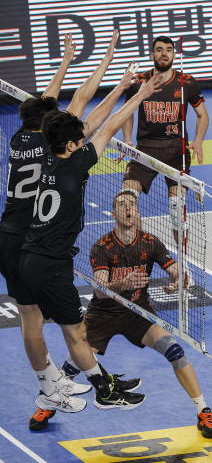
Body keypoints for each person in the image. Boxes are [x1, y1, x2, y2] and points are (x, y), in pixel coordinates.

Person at [0, 31, 139, 431]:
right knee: (39, 319)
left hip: (10, 232)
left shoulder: (22, 137)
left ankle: (51, 382)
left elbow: (55, 100)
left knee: (31, 316)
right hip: (28, 241)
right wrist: (120, 84)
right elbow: (84, 106)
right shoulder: (53, 148)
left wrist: (65, 61)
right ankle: (55, 386)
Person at [17, 69, 163, 421]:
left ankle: (70, 385)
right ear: (71, 147)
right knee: (77, 333)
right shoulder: (75, 166)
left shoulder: (42, 153)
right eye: (78, 141)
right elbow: (108, 127)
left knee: (50, 326)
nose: (82, 142)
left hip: (27, 258)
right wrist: (140, 94)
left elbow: (87, 120)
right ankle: (104, 392)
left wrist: (124, 88)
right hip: (52, 265)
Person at [77, 190, 212, 438]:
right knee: (75, 360)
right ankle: (47, 404)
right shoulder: (102, 246)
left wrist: (178, 281)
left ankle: (203, 411)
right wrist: (124, 283)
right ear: (113, 213)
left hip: (138, 313)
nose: (127, 208)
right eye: (121, 205)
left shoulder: (150, 242)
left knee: (175, 351)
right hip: (103, 315)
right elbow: (100, 291)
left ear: (138, 212)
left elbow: (177, 272)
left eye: (132, 204)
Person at [121, 35, 209, 239]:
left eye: (169, 50)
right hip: (145, 150)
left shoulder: (186, 82)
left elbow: (202, 115)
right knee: (126, 201)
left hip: (177, 151)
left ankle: (183, 256)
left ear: (173, 55)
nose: (164, 53)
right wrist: (127, 139)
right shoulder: (139, 81)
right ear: (152, 55)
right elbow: (127, 111)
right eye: (159, 50)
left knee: (177, 210)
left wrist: (198, 141)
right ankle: (136, 249)